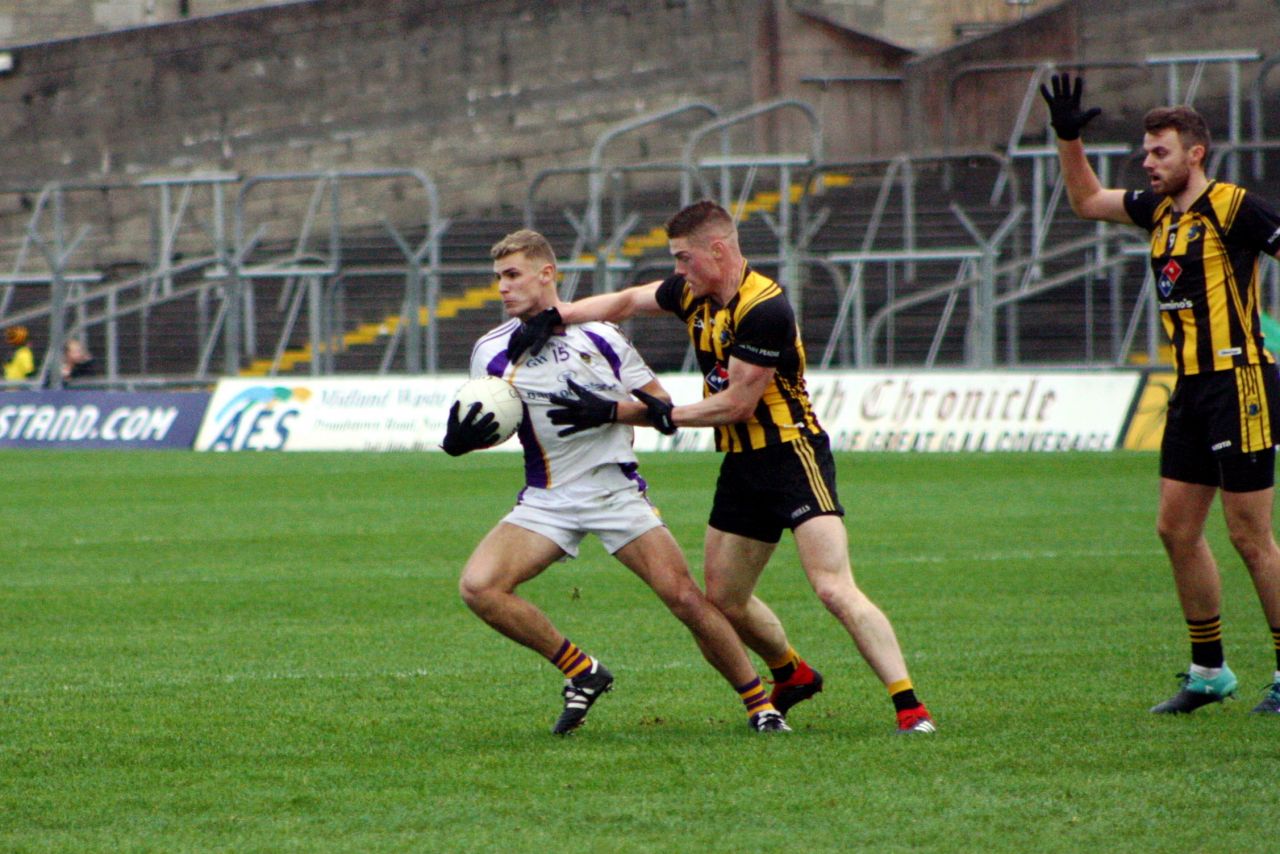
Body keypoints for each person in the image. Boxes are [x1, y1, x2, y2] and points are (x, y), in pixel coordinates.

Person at [509, 201, 936, 734]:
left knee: (831, 586)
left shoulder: (765, 309)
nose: (678, 272)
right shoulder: (692, 293)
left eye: (684, 259)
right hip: (740, 464)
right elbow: (623, 301)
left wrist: (632, 412)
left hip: (792, 455)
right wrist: (557, 317)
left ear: (719, 249)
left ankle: (910, 707)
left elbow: (737, 406)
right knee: (725, 599)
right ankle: (792, 673)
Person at [443, 228, 790, 734]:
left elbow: (664, 410)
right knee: (479, 587)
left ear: (547, 274)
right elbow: (493, 419)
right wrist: (460, 441)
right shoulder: (491, 351)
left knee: (686, 599)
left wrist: (608, 413)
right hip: (547, 498)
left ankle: (761, 705)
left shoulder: (602, 338)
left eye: (513, 275)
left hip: (614, 492)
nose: (502, 288)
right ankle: (582, 671)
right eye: (498, 277)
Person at [1041, 72, 1280, 715]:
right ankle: (1209, 672)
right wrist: (1068, 138)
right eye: (1145, 152)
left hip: (1241, 382)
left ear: (1195, 153)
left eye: (1160, 152)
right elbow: (1087, 200)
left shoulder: (1234, 207)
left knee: (1250, 538)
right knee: (1176, 530)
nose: (1147, 163)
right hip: (1192, 391)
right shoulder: (1158, 213)